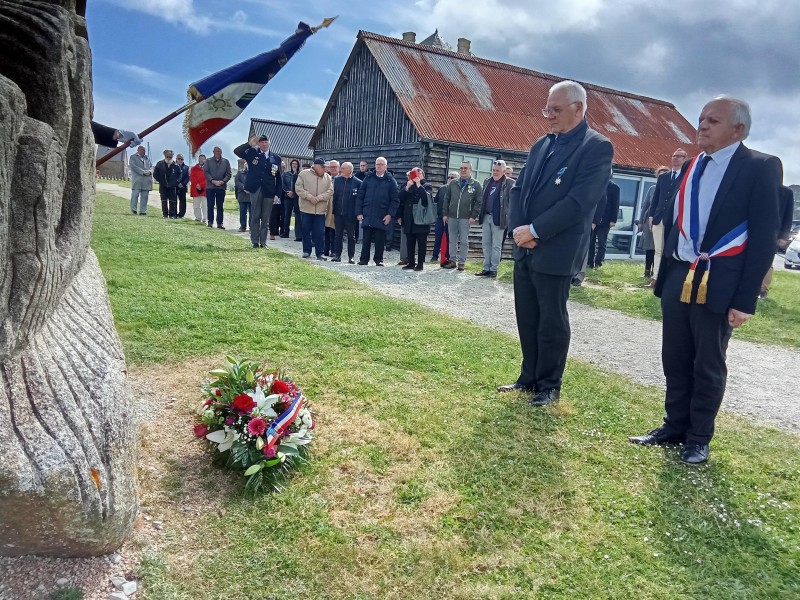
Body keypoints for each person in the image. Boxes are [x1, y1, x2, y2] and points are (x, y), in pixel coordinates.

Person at [629, 96, 782, 465]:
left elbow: (763, 237)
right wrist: (663, 276)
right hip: (681, 273)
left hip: (720, 278)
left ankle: (699, 438)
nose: (702, 125)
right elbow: (676, 222)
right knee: (675, 356)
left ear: (738, 129)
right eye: (700, 119)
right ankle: (673, 426)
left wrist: (746, 300)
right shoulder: (691, 166)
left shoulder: (760, 167)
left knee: (708, 361)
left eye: (712, 120)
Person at [500, 80, 613, 407]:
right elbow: (519, 190)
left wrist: (536, 230)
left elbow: (580, 201)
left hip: (557, 250)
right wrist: (521, 230)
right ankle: (528, 378)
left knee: (551, 320)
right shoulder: (542, 145)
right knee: (527, 315)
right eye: (546, 108)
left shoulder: (596, 147)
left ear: (579, 108)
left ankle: (550, 385)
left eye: (556, 109)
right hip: (525, 247)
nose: (548, 115)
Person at [645, 148, 688, 287]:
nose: (675, 158)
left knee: (670, 250)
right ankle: (656, 278)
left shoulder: (687, 176)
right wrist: (651, 216)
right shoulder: (663, 177)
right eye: (674, 156)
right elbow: (656, 198)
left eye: (679, 156)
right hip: (659, 218)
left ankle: (669, 279)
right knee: (658, 249)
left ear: (684, 159)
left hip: (675, 220)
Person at [234, 135, 283, 248]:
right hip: (256, 189)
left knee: (265, 219)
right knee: (255, 216)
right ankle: (255, 241)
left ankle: (263, 242)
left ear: (269, 143)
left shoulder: (276, 158)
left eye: (266, 142)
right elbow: (237, 151)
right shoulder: (252, 153)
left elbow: (279, 178)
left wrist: (277, 194)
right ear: (258, 144)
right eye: (262, 142)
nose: (264, 144)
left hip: (269, 191)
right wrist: (249, 144)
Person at [355, 157, 399, 266]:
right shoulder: (368, 178)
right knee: (366, 240)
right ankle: (364, 259)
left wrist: (390, 214)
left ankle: (379, 260)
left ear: (386, 167)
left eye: (381, 164)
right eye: (377, 164)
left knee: (380, 240)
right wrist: (359, 212)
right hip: (367, 213)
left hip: (382, 215)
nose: (379, 166)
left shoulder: (391, 181)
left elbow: (395, 200)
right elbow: (360, 196)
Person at [441, 161, 482, 270]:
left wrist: (473, 216)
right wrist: (445, 213)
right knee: (452, 240)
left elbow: (478, 202)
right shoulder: (453, 183)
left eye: (465, 168)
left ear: (470, 170)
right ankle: (453, 260)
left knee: (464, 241)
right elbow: (446, 199)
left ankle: (462, 262)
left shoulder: (476, 184)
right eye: (461, 168)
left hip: (465, 217)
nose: (463, 170)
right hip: (452, 216)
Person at [477, 160, 514, 278]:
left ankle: (494, 269)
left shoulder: (510, 183)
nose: (495, 172)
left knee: (496, 245)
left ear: (503, 171)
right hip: (486, 215)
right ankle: (486, 268)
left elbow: (512, 203)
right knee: (486, 244)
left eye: (497, 170)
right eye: (493, 170)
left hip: (499, 218)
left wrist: (509, 217)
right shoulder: (487, 181)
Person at [759, 185, 795, 299]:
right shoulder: (760, 188)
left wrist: (783, 236)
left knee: (767, 263)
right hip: (758, 231)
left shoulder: (786, 192)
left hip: (773, 234)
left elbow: (788, 216)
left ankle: (763, 290)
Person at [296, 158, 333, 260]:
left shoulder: (327, 177)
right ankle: (306, 251)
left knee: (320, 232)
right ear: (316, 166)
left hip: (320, 210)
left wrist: (319, 198)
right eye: (323, 167)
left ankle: (320, 253)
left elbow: (330, 191)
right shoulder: (303, 174)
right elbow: (298, 188)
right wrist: (310, 197)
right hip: (306, 209)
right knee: (305, 230)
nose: (325, 169)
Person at [398, 167, 433, 271]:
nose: (415, 175)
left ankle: (420, 264)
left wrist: (418, 185)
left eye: (417, 172)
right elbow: (400, 199)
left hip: (421, 218)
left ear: (422, 174)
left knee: (421, 243)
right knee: (410, 242)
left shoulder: (427, 185)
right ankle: (411, 262)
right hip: (409, 218)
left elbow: (426, 199)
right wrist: (407, 188)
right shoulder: (408, 184)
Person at [638, 166, 670, 279]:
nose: (662, 176)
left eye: (665, 174)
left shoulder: (670, 190)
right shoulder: (652, 188)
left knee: (659, 247)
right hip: (649, 221)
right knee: (649, 246)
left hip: (662, 221)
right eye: (660, 174)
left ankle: (657, 273)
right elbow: (645, 205)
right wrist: (641, 221)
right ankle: (647, 270)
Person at [331, 161, 361, 263]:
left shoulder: (358, 182)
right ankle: (337, 255)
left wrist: (358, 213)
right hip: (338, 213)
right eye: (341, 168)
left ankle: (351, 257)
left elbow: (359, 200)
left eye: (343, 168)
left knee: (351, 236)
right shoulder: (337, 180)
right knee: (338, 235)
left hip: (350, 214)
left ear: (350, 170)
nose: (341, 170)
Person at [587, 176, 619, 268]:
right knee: (590, 242)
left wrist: (613, 220)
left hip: (605, 220)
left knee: (602, 243)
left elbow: (615, 204)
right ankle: (589, 263)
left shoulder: (614, 187)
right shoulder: (596, 185)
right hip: (593, 219)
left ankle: (598, 263)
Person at [431, 172, 457, 263]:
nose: (450, 178)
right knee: (437, 237)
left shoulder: (457, 190)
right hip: (440, 217)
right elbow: (436, 201)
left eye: (452, 177)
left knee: (450, 238)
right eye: (449, 177)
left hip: (451, 218)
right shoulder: (442, 189)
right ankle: (434, 256)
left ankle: (448, 257)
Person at [203, 146, 231, 229]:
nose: (218, 153)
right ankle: (210, 222)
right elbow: (206, 172)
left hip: (221, 187)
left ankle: (220, 223)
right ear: (213, 152)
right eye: (216, 151)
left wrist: (223, 181)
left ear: (221, 152)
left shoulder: (226, 161)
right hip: (210, 186)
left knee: (220, 206)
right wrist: (212, 181)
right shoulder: (208, 161)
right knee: (210, 205)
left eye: (219, 151)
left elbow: (229, 174)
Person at [152, 149, 181, 219]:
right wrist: (161, 180)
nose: (168, 158)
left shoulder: (176, 165)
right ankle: (165, 214)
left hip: (172, 186)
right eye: (167, 156)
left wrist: (175, 182)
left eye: (170, 157)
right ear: (164, 156)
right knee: (164, 200)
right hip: (163, 185)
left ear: (172, 156)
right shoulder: (159, 164)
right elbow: (155, 174)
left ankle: (172, 214)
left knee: (172, 201)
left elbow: (179, 176)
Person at [128, 145, 152, 215]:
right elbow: (133, 166)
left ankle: (143, 211)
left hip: (146, 181)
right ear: (138, 150)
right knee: (135, 195)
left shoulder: (147, 158)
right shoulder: (133, 157)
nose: (143, 151)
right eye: (142, 150)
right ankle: (133, 209)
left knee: (145, 196)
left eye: (144, 150)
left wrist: (150, 172)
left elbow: (151, 167)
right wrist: (143, 172)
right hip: (137, 180)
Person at [283, 159, 302, 240]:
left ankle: (298, 235)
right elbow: (283, 184)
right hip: (287, 197)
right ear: (290, 165)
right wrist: (288, 192)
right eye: (293, 164)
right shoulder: (286, 174)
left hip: (296, 197)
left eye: (296, 164)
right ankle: (285, 232)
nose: (294, 165)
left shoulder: (300, 175)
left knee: (297, 216)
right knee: (287, 215)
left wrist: (294, 192)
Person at [324, 160, 340, 255]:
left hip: (336, 207)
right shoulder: (326, 178)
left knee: (335, 230)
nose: (333, 169)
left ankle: (334, 250)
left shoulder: (342, 179)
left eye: (335, 167)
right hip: (326, 206)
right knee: (325, 229)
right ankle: (325, 250)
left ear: (339, 168)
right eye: (331, 167)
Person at [190, 154, 208, 223]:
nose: (201, 160)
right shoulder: (194, 168)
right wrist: (197, 185)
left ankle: (205, 218)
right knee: (196, 205)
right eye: (200, 158)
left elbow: (208, 178)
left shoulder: (207, 169)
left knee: (205, 205)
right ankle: (198, 217)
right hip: (195, 188)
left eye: (203, 158)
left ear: (205, 160)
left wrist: (201, 185)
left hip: (204, 189)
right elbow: (192, 177)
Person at [234, 160, 250, 232]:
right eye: (246, 165)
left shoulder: (253, 173)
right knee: (242, 212)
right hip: (242, 195)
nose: (247, 166)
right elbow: (237, 182)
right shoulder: (240, 172)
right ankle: (243, 226)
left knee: (252, 213)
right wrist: (243, 187)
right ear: (244, 165)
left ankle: (252, 227)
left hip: (251, 195)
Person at [175, 154, 190, 218]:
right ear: (176, 159)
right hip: (174, 186)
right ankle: (174, 213)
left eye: (182, 159)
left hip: (183, 187)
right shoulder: (173, 166)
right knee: (174, 200)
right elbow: (172, 176)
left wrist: (183, 184)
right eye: (179, 159)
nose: (180, 160)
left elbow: (188, 177)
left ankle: (181, 214)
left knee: (183, 201)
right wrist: (177, 183)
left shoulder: (186, 167)